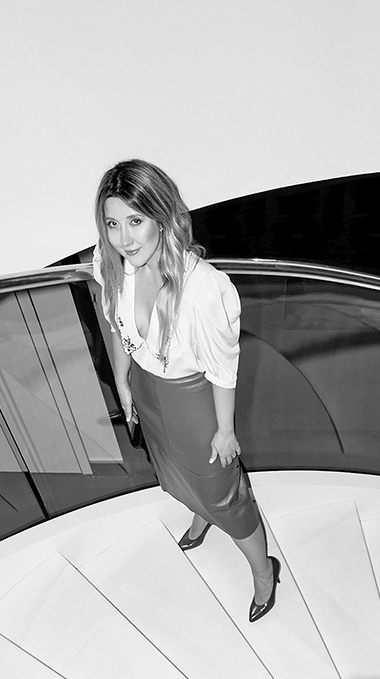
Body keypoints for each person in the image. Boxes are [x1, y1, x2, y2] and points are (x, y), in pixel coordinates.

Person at [92, 158, 279, 622]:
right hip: (146, 387)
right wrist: (123, 382)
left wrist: (225, 431)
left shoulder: (203, 288)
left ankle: (263, 571)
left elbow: (222, 368)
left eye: (136, 221)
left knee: (223, 494)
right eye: (113, 224)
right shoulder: (113, 265)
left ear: (161, 217)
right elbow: (117, 328)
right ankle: (200, 514)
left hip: (193, 398)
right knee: (172, 468)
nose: (124, 238)